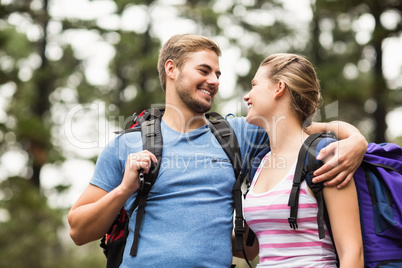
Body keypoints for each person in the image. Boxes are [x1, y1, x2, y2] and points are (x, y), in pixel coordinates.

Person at [68, 34, 367, 267]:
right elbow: (78, 231)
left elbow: (299, 129)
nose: (214, 81)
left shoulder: (237, 134)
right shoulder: (128, 145)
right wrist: (123, 190)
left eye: (218, 74)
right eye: (204, 70)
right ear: (171, 69)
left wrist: (355, 139)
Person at [234, 53, 364, 267]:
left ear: (279, 88)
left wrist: (356, 139)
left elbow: (352, 253)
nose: (247, 96)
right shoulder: (260, 162)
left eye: (254, 85)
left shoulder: (324, 156)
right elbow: (252, 247)